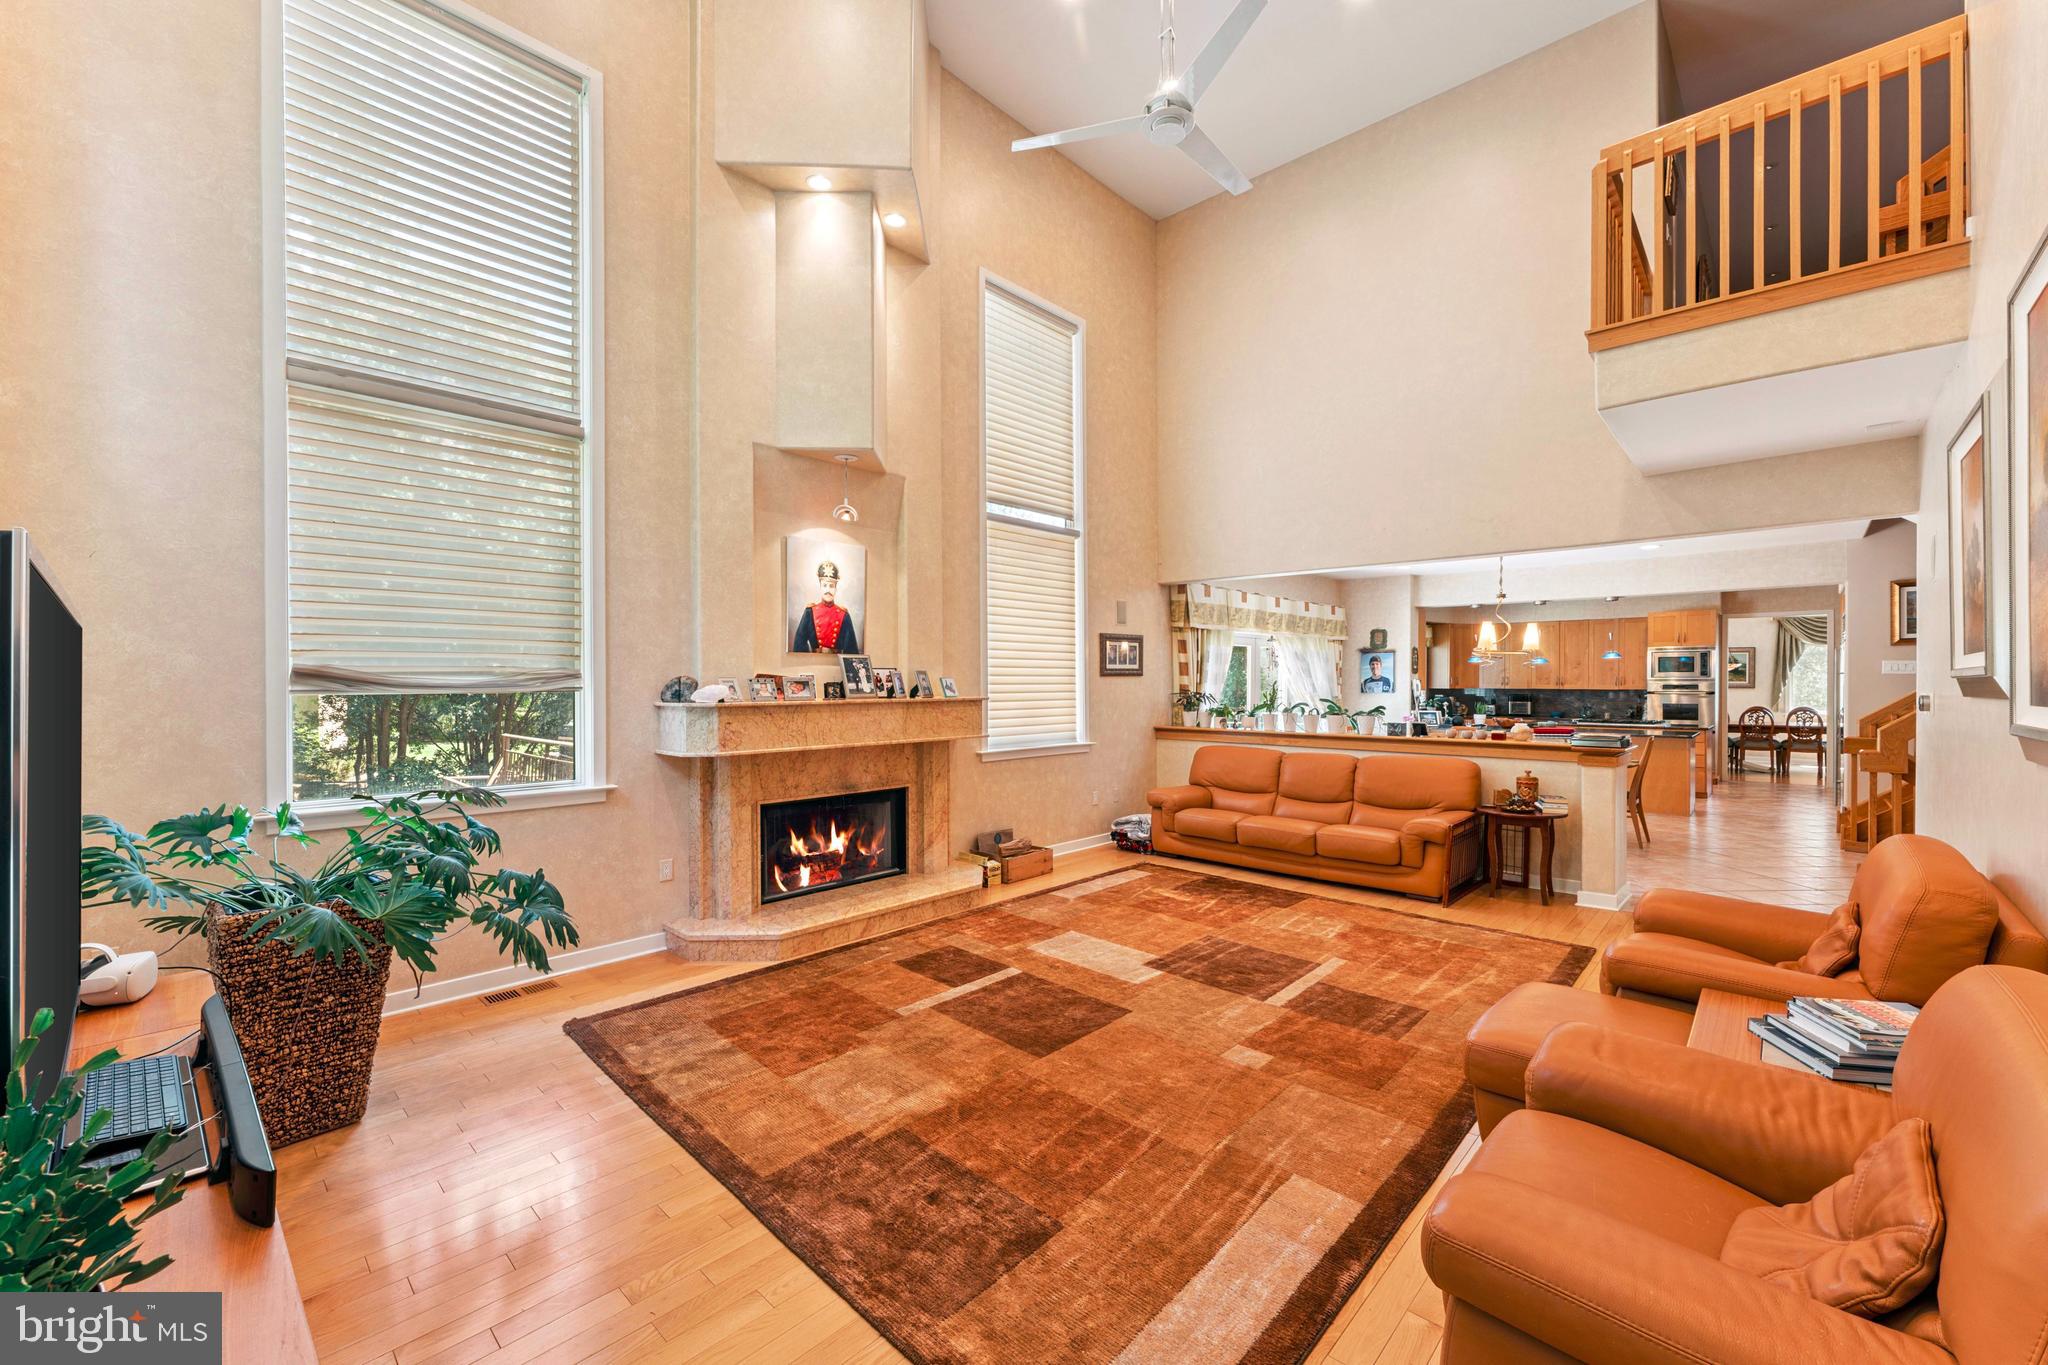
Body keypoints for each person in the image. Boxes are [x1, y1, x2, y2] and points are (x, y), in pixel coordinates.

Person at [791, 560, 860, 654]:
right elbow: (799, 646)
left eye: (831, 586)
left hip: (836, 661)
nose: (828, 590)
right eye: (824, 585)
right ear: (820, 587)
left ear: (836, 588)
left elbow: (851, 651)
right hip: (814, 661)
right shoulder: (809, 612)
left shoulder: (844, 615)